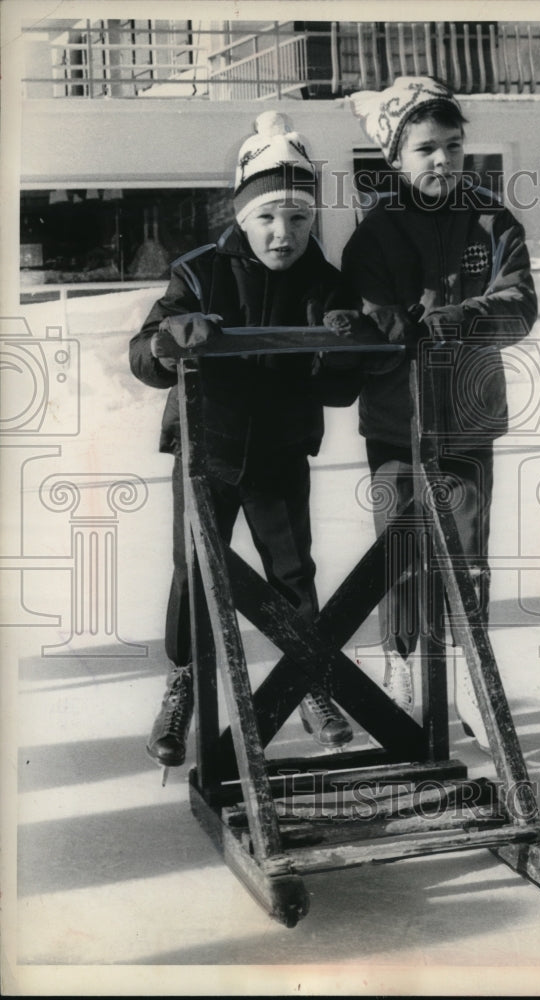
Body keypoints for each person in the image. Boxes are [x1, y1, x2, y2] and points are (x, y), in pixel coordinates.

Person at [130, 111, 369, 769]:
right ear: (241, 216)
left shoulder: (323, 283)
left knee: (291, 574)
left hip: (280, 452)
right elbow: (143, 357)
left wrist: (343, 345)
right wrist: (168, 340)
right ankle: (182, 687)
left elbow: (335, 390)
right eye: (266, 217)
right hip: (206, 450)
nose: (282, 233)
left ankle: (309, 680)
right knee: (194, 572)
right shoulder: (199, 273)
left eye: (297, 218)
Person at [342, 77, 538, 749]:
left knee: (466, 557)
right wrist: (391, 322)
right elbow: (371, 313)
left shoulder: (490, 219)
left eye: (452, 146)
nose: (442, 162)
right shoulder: (374, 233)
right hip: (397, 423)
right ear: (396, 155)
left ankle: (473, 681)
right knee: (400, 552)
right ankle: (401, 666)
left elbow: (517, 305)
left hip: (467, 419)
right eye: (425, 148)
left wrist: (453, 319)